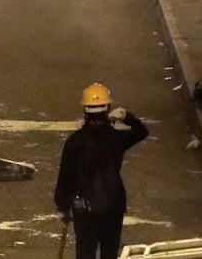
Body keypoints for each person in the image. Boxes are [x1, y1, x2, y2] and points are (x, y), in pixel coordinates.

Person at [54, 84, 148, 259]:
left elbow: (65, 177)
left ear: (85, 109)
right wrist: (127, 117)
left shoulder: (74, 142)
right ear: (108, 108)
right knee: (109, 252)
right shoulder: (117, 138)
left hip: (85, 209)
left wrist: (62, 206)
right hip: (113, 204)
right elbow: (142, 132)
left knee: (86, 253)